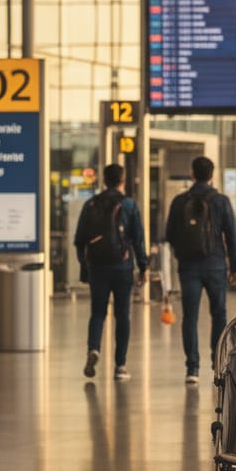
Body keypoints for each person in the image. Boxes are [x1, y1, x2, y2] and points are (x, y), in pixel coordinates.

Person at [165, 156, 236, 384]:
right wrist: (235, 267)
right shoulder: (221, 201)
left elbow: (170, 235)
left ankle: (192, 369)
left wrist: (182, 254)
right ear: (212, 175)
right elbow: (232, 236)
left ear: (192, 174)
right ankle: (218, 365)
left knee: (190, 315)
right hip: (215, 264)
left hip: (188, 266)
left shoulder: (179, 201)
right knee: (219, 314)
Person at [74, 163, 149, 381]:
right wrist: (143, 266)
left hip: (97, 267)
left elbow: (79, 240)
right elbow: (138, 239)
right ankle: (120, 366)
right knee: (122, 314)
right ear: (122, 181)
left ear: (104, 181)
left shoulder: (91, 204)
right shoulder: (129, 205)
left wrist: (86, 267)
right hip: (122, 267)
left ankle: (94, 349)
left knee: (97, 313)